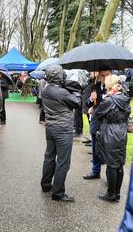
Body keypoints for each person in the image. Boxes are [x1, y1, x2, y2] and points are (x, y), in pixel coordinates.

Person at [40, 65, 81, 202]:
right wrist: (76, 91)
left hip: (50, 127)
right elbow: (76, 103)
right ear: (59, 76)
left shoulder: (46, 89)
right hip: (63, 129)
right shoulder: (61, 93)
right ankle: (58, 193)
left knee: (49, 157)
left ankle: (46, 185)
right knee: (63, 161)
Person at [93, 74, 130, 202]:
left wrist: (101, 100)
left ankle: (111, 194)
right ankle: (117, 194)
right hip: (121, 132)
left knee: (111, 164)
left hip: (110, 133)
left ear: (109, 85)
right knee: (119, 163)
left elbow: (97, 114)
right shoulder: (125, 99)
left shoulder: (109, 100)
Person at [83, 68, 111, 180]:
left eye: (107, 75)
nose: (104, 77)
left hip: (109, 123)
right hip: (96, 122)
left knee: (109, 150)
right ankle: (95, 171)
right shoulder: (95, 86)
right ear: (99, 76)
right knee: (95, 148)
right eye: (102, 75)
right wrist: (91, 99)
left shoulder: (115, 87)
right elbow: (87, 103)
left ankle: (111, 177)